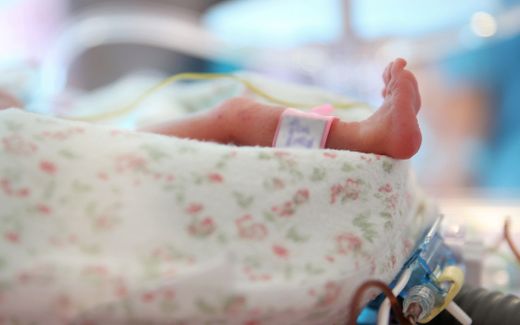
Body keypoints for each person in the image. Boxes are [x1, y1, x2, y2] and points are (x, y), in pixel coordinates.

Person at [0, 58, 422, 159]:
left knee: (239, 107)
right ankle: (363, 136)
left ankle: (346, 128)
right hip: (92, 150)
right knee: (235, 117)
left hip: (80, 130)